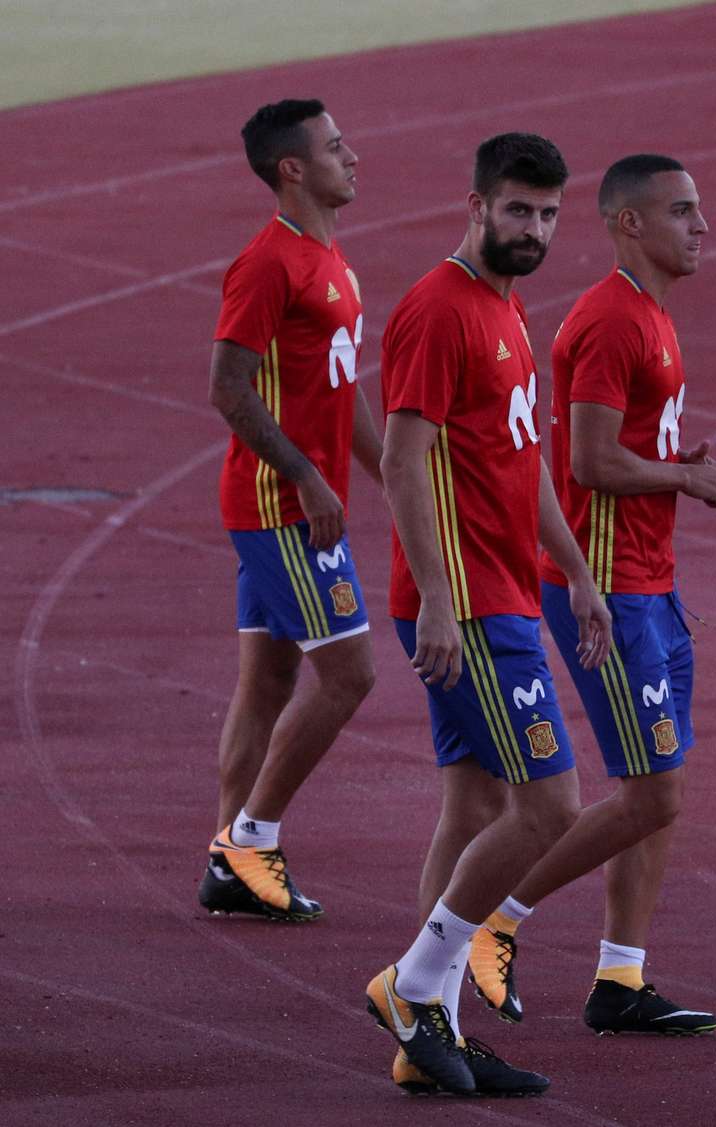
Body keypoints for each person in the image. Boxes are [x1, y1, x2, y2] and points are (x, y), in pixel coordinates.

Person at [365, 132, 618, 1098]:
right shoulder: (438, 310)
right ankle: (417, 984)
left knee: (471, 805)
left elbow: (523, 467)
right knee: (548, 804)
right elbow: (398, 459)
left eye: (549, 214)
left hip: (501, 588)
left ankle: (431, 1036)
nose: (535, 229)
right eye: (518, 210)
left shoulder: (507, 308)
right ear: (474, 205)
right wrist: (435, 594)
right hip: (466, 602)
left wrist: (577, 571)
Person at [533, 153, 716, 1032]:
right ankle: (480, 923)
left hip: (651, 584)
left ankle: (622, 977)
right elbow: (587, 464)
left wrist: (681, 470)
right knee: (652, 793)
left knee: (658, 782)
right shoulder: (611, 322)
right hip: (609, 588)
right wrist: (680, 477)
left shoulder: (654, 316)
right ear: (629, 223)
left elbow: (627, 447)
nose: (703, 224)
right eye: (682, 210)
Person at [198, 99, 382, 923]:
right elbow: (225, 387)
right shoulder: (270, 263)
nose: (354, 157)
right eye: (337, 148)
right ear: (292, 169)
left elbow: (344, 388)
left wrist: (403, 475)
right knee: (349, 675)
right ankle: (251, 836)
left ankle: (226, 855)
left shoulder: (330, 257)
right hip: (280, 509)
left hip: (290, 500)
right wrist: (310, 475)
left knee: (268, 681)